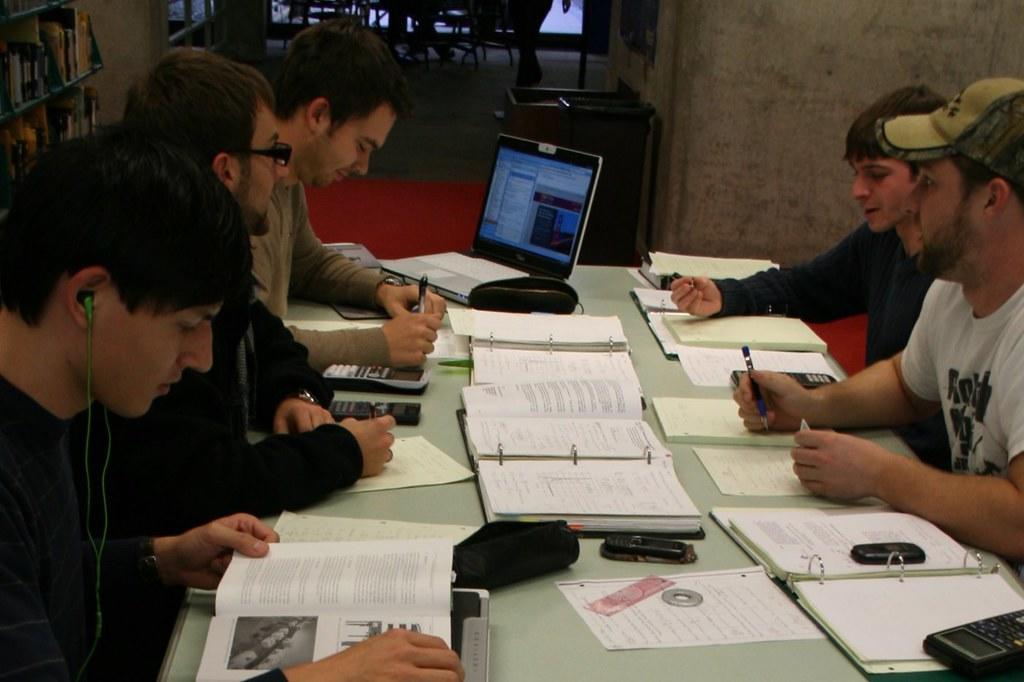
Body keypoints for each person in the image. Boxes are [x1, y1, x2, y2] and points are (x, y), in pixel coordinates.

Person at [0, 124, 462, 682]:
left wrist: (158, 558)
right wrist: (322, 677)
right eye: (188, 325)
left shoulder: (38, 415)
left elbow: (39, 575)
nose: (199, 357)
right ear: (86, 298)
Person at [75, 48, 396, 541]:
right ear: (226, 170)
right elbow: (205, 480)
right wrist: (342, 453)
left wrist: (294, 392)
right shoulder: (154, 286)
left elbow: (264, 335)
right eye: (272, 154)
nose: (283, 171)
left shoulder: (207, 262)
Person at [734, 77, 1024, 562]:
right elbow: (907, 384)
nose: (914, 203)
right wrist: (811, 405)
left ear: (992, 199)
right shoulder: (953, 291)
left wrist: (881, 475)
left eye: (929, 183)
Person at [671, 85, 951, 469]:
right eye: (856, 174)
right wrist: (726, 295)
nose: (857, 191)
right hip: (881, 448)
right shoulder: (883, 240)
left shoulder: (958, 281)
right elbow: (805, 286)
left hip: (910, 471)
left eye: (877, 175)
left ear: (932, 178)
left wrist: (873, 467)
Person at [259, 16, 446, 372]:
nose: (363, 166)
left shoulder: (286, 175)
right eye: (361, 145)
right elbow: (252, 344)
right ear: (319, 115)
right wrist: (378, 345)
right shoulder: (252, 192)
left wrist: (380, 289)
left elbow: (307, 264)